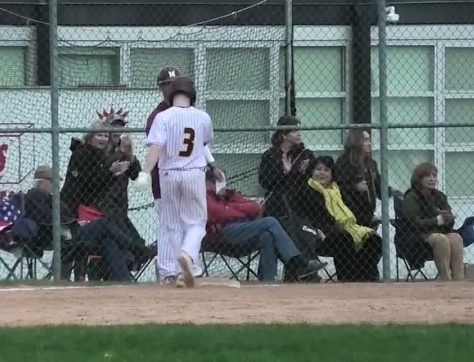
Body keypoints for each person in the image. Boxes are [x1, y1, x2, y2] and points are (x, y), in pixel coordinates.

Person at [145, 66, 223, 283]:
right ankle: (176, 266)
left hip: (169, 174)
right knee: (187, 223)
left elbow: (159, 146)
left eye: (173, 84)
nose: (169, 88)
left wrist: (212, 164)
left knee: (173, 224)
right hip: (187, 175)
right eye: (166, 84)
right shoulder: (196, 116)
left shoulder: (164, 116)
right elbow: (200, 142)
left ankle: (181, 269)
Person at [205, 171, 327, 282]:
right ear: (209, 183)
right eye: (218, 182)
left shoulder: (231, 195)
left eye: (224, 181)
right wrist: (235, 209)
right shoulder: (206, 196)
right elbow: (218, 213)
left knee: (267, 236)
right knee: (270, 222)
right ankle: (298, 263)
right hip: (225, 232)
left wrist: (230, 207)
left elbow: (254, 208)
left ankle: (267, 280)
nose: (223, 185)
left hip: (246, 228)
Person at [25, 166, 135, 282]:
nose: (55, 185)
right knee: (103, 224)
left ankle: (124, 280)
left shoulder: (50, 199)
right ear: (41, 181)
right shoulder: (33, 197)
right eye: (52, 182)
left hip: (68, 232)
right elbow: (46, 219)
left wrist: (73, 222)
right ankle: (134, 248)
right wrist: (73, 223)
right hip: (57, 236)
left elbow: (62, 215)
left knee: (108, 241)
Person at [292, 156, 382, 282]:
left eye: (326, 170)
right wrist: (318, 230)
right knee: (344, 237)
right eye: (318, 169)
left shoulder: (338, 189)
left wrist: (366, 221)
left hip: (345, 229)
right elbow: (304, 218)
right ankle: (347, 280)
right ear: (311, 172)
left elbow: (354, 212)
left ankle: (367, 279)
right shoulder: (305, 191)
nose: (322, 173)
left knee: (373, 239)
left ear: (332, 174)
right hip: (319, 235)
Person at [93, 107, 157, 269]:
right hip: (102, 207)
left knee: (134, 242)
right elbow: (101, 171)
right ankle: (130, 261)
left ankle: (130, 263)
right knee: (128, 242)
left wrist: (129, 154)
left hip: (120, 207)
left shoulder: (125, 151)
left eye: (121, 127)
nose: (118, 130)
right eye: (114, 126)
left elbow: (135, 175)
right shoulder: (100, 149)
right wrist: (120, 153)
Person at [403, 162, 465, 281]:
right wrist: (437, 220)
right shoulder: (411, 197)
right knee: (440, 239)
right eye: (428, 176)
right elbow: (415, 223)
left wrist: (448, 219)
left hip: (439, 232)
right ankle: (446, 279)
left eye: (434, 175)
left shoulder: (439, 196)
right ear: (419, 178)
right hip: (418, 236)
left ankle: (459, 279)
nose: (432, 179)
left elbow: (447, 221)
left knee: (456, 237)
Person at [335, 129, 400, 228]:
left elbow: (379, 186)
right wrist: (354, 187)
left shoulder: (371, 163)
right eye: (365, 140)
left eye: (370, 140)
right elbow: (337, 187)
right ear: (356, 142)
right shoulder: (344, 162)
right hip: (351, 209)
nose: (369, 143)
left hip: (370, 211)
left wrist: (393, 192)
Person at [258, 115, 314, 219]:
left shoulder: (306, 154)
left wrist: (294, 172)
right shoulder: (270, 155)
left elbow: (309, 179)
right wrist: (283, 172)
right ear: (284, 135)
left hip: (302, 202)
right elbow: (264, 182)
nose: (299, 134)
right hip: (277, 203)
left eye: (299, 130)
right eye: (294, 131)